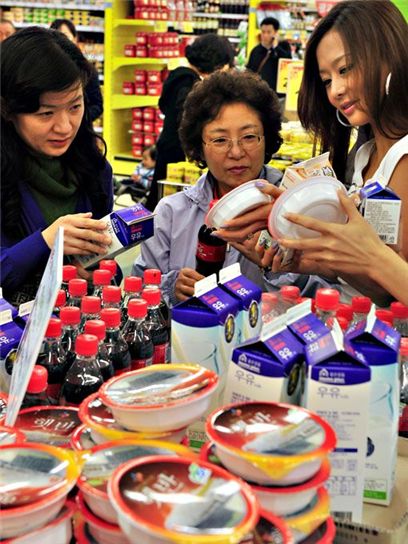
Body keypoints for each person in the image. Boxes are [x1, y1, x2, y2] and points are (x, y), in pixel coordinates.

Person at [214, 0, 408, 306]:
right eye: (327, 80)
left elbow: (392, 291)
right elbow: (377, 288)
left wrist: (365, 255)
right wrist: (305, 255)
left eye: (345, 69)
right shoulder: (364, 156)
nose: (336, 90)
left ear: (388, 54)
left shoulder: (403, 158)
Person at [132, 70, 283, 305]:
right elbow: (138, 292)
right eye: (220, 140)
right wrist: (170, 289)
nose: (236, 152)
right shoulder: (171, 213)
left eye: (249, 137)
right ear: (199, 147)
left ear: (267, 138)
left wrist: (275, 267)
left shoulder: (291, 211)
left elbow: (320, 295)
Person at [1, 27, 113, 305]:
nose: (64, 127)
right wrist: (46, 241)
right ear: (8, 111)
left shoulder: (94, 169)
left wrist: (96, 271)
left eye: (75, 107)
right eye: (46, 113)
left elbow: (109, 260)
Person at [145, 33, 235, 212]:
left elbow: (164, 106)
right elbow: (186, 119)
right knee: (170, 205)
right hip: (179, 153)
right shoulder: (188, 83)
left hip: (169, 147)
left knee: (160, 200)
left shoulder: (178, 76)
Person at [50, 18, 103, 122]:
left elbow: (97, 106)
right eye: (57, 37)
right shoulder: (43, 70)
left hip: (80, 129)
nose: (61, 41)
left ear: (75, 39)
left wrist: (77, 118)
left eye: (65, 36)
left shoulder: (87, 70)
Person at [246, 17, 292, 97]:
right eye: (263, 32)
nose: (265, 35)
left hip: (278, 95)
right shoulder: (256, 51)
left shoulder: (283, 47)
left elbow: (287, 64)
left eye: (269, 32)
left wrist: (275, 47)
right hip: (259, 94)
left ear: (275, 33)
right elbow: (250, 71)